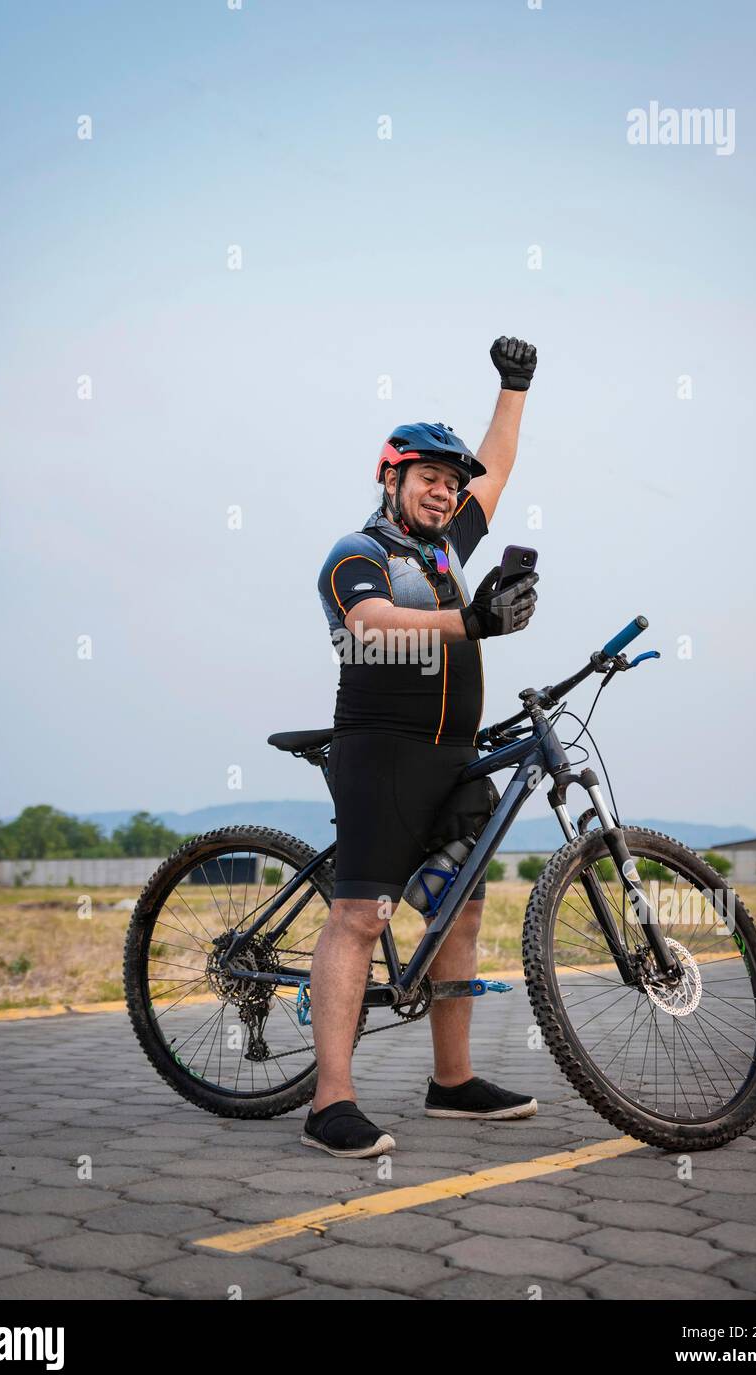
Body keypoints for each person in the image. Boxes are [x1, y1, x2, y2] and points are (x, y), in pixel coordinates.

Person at [306, 337, 541, 1158]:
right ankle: (328, 1102)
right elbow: (368, 625)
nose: (446, 491)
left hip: (452, 758)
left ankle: (451, 1082)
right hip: (382, 753)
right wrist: (470, 620)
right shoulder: (360, 552)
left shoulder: (445, 550)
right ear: (391, 478)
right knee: (359, 915)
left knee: (458, 911)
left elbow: (498, 468)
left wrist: (515, 386)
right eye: (430, 479)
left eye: (451, 483)